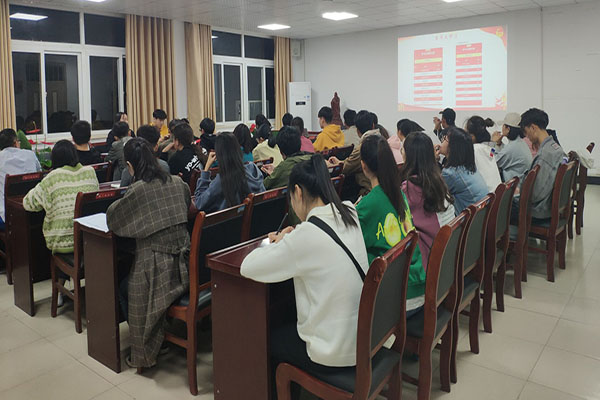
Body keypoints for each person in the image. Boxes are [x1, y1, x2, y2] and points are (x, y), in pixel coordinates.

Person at [241, 154, 369, 370]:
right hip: (362, 337)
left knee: (266, 336)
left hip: (332, 351)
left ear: (298, 192)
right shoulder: (348, 211)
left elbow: (248, 267)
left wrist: (279, 242)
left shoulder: (305, 236)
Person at [107, 138, 190, 369]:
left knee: (123, 287)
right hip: (184, 268)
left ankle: (148, 341)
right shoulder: (178, 183)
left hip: (157, 272)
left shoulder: (138, 190)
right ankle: (159, 328)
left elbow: (114, 219)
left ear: (130, 166)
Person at [356, 134, 426, 316]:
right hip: (418, 284)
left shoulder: (367, 205)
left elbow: (353, 246)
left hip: (398, 298)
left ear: (363, 165)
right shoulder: (398, 193)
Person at [24, 140, 99, 254]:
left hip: (63, 244)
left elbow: (28, 204)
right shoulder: (90, 172)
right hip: (90, 240)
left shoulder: (53, 177)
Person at [401, 132, 455, 269]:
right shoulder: (438, 179)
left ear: (408, 155)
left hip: (433, 264)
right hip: (450, 254)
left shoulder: (409, 188)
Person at [515, 108, 567, 221]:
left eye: (526, 131)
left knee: (498, 210)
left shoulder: (546, 154)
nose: (526, 136)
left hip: (538, 211)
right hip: (547, 205)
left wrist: (519, 193)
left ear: (533, 128)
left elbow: (535, 195)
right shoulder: (555, 147)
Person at [194, 132, 265, 213]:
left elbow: (199, 203)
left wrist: (206, 170)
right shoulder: (253, 169)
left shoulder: (222, 180)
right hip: (257, 218)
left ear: (219, 155)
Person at [327, 110, 380, 198]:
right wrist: (340, 162)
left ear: (357, 131)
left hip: (368, 190)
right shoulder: (382, 140)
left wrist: (331, 164)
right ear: (373, 125)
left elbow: (346, 168)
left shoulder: (363, 147)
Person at [440, 127, 489, 215]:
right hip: (480, 217)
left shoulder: (450, 173)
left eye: (445, 139)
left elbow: (434, 194)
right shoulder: (468, 167)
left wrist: (432, 160)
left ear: (452, 147)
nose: (441, 142)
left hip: (469, 221)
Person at [0, 129, 41, 230]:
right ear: (15, 143)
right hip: (34, 213)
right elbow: (39, 174)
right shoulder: (30, 155)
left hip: (7, 216)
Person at [491, 113, 533, 182]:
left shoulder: (512, 147)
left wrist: (493, 144)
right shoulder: (519, 143)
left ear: (508, 129)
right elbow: (504, 153)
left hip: (514, 186)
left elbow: (493, 161)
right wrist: (499, 144)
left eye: (503, 125)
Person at [465, 116, 502, 192]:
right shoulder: (488, 148)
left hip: (487, 195)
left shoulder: (474, 149)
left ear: (472, 136)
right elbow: (492, 151)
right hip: (497, 193)